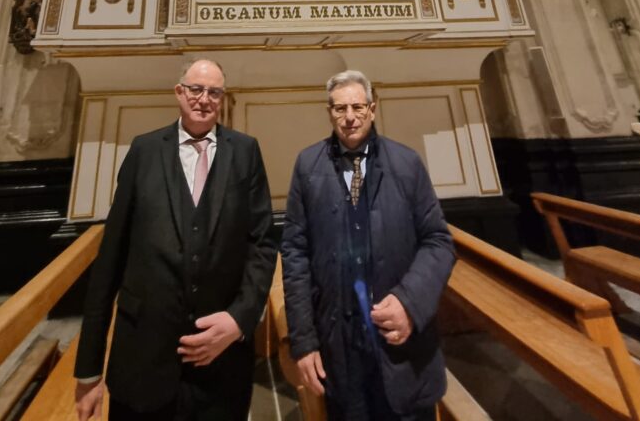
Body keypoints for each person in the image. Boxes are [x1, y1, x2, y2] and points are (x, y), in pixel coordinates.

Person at [74, 58, 277, 421]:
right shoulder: (144, 151)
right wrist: (89, 370)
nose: (204, 99)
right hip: (144, 357)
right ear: (179, 92)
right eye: (196, 89)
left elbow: (261, 243)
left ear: (223, 98)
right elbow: (110, 258)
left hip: (221, 363)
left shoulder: (245, 151)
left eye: (214, 92)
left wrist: (239, 320)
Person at [281, 69, 455, 421]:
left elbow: (438, 241)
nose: (349, 118)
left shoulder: (406, 163)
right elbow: (295, 253)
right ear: (328, 111)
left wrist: (409, 302)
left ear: (372, 109)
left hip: (398, 338)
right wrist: (304, 341)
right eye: (339, 109)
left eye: (358, 107)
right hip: (340, 343)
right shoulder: (307, 165)